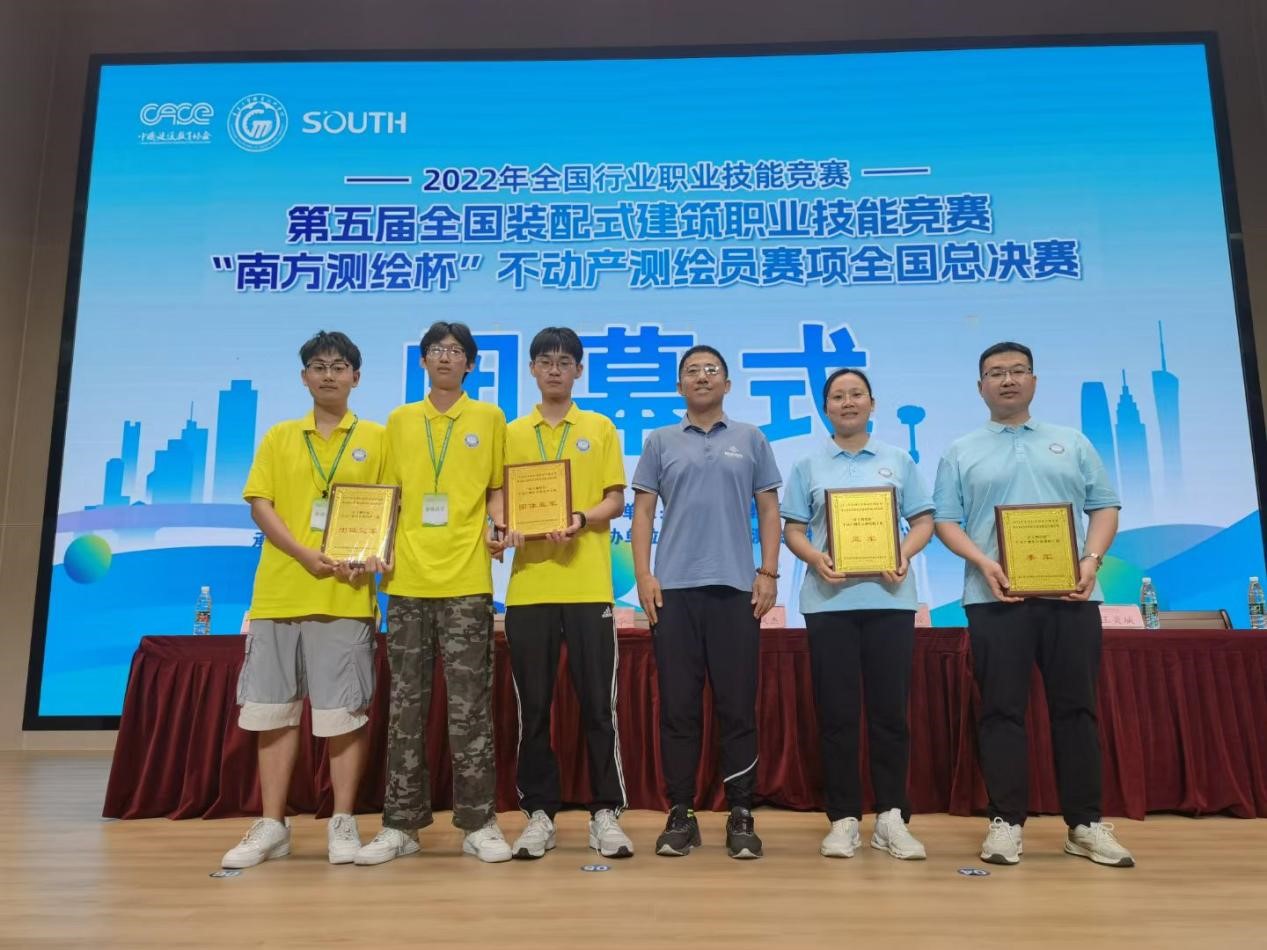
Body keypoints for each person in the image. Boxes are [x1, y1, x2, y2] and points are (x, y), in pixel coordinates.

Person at [932, 341, 1134, 868]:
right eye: (996, 373)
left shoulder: (1073, 441)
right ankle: (1006, 822)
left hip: (1071, 594)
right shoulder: (961, 450)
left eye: (1018, 370)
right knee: (1001, 710)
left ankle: (1084, 824)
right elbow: (946, 521)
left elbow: (1104, 506)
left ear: (1034, 381)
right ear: (980, 387)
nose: (1008, 380)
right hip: (995, 597)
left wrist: (1091, 560)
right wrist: (983, 562)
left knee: (1077, 710)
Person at [222, 330, 385, 869]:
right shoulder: (279, 436)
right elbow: (260, 504)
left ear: (356, 377)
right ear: (304, 377)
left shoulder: (377, 438)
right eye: (319, 366)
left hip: (346, 595)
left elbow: (391, 507)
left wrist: (372, 554)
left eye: (339, 366)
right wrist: (302, 554)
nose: (329, 375)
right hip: (279, 592)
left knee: (344, 715)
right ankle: (273, 825)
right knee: (273, 712)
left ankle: (343, 820)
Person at [354, 321, 512, 865]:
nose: (446, 358)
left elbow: (496, 490)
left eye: (456, 351)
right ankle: (400, 825)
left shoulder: (490, 419)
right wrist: (374, 547)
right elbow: (387, 495)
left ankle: (479, 822)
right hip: (406, 582)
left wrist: (499, 526)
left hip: (467, 581)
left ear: (470, 363)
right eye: (436, 350)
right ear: (422, 361)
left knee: (471, 707)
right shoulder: (399, 421)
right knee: (406, 708)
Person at [631, 345, 782, 859]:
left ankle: (741, 813)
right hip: (673, 591)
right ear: (679, 386)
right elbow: (643, 513)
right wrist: (644, 575)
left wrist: (768, 571)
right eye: (692, 371)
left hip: (736, 589)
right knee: (678, 708)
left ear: (727, 384)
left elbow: (768, 508)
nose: (702, 377)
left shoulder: (751, 438)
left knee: (737, 706)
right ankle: (682, 812)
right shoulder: (660, 440)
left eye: (711, 370)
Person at [781, 368, 933, 860]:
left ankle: (891, 816)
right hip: (829, 604)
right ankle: (843, 817)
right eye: (837, 396)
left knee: (891, 714)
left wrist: (903, 553)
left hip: (890, 601)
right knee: (837, 715)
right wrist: (814, 558)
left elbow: (923, 520)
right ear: (826, 407)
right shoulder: (808, 465)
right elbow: (793, 529)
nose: (847, 403)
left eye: (856, 394)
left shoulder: (898, 460)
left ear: (872, 403)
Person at [492, 326, 632, 860]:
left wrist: (579, 517)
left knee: (599, 705)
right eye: (545, 360)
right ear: (531, 369)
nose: (555, 369)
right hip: (529, 588)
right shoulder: (510, 432)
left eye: (565, 361)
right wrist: (504, 526)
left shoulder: (599, 428)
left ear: (579, 370)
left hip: (588, 584)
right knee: (534, 707)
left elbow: (615, 500)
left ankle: (605, 812)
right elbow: (498, 496)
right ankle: (539, 814)